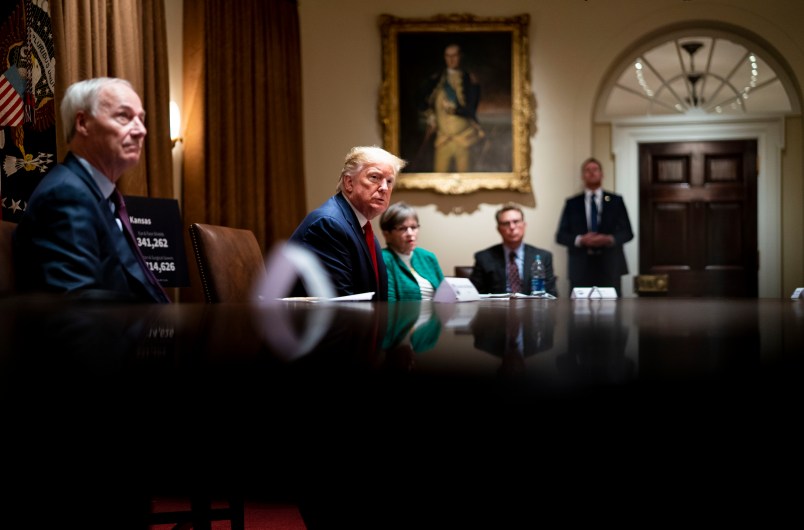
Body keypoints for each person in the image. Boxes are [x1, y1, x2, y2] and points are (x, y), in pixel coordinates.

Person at [12, 77, 170, 303]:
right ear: (83, 123)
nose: (141, 130)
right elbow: (79, 307)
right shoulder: (65, 195)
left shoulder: (96, 194)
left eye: (141, 119)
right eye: (124, 116)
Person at [289, 145, 406, 300]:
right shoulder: (328, 225)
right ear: (349, 182)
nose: (384, 187)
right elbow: (342, 305)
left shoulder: (361, 225)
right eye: (374, 177)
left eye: (389, 181)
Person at [555, 157, 634, 296]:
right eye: (587, 170)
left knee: (612, 314)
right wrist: (581, 240)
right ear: (582, 176)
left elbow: (628, 233)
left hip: (610, 266)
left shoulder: (615, 201)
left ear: (602, 174)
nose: (591, 173)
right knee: (578, 314)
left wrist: (609, 239)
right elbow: (561, 236)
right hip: (580, 268)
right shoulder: (572, 203)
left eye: (595, 169)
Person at [417, 43, 484, 173]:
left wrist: (455, 110)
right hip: (442, 140)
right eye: (448, 56)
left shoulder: (470, 80)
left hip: (464, 139)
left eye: (454, 56)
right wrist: (430, 115)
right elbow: (419, 100)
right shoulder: (436, 80)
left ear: (461, 57)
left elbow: (471, 110)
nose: (451, 59)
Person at [469, 203, 558, 297]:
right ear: (499, 229)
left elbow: (551, 294)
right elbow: (474, 295)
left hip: (532, 309)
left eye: (516, 222)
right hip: (496, 310)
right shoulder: (483, 258)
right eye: (506, 223)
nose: (512, 227)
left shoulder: (544, 257)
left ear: (524, 225)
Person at [379, 201, 444, 301]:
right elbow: (389, 304)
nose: (410, 233)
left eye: (413, 227)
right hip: (404, 316)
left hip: (436, 315)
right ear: (386, 234)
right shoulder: (384, 258)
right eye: (402, 228)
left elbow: (446, 295)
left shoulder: (428, 257)